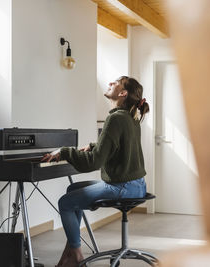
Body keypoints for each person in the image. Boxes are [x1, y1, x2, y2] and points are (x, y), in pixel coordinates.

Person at [41, 76, 150, 267]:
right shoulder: (130, 117)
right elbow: (118, 145)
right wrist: (92, 146)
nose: (109, 84)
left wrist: (65, 152)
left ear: (123, 93)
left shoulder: (115, 118)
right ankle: (70, 251)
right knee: (72, 190)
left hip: (121, 187)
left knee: (65, 203)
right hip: (137, 186)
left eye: (115, 83)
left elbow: (94, 162)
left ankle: (75, 254)